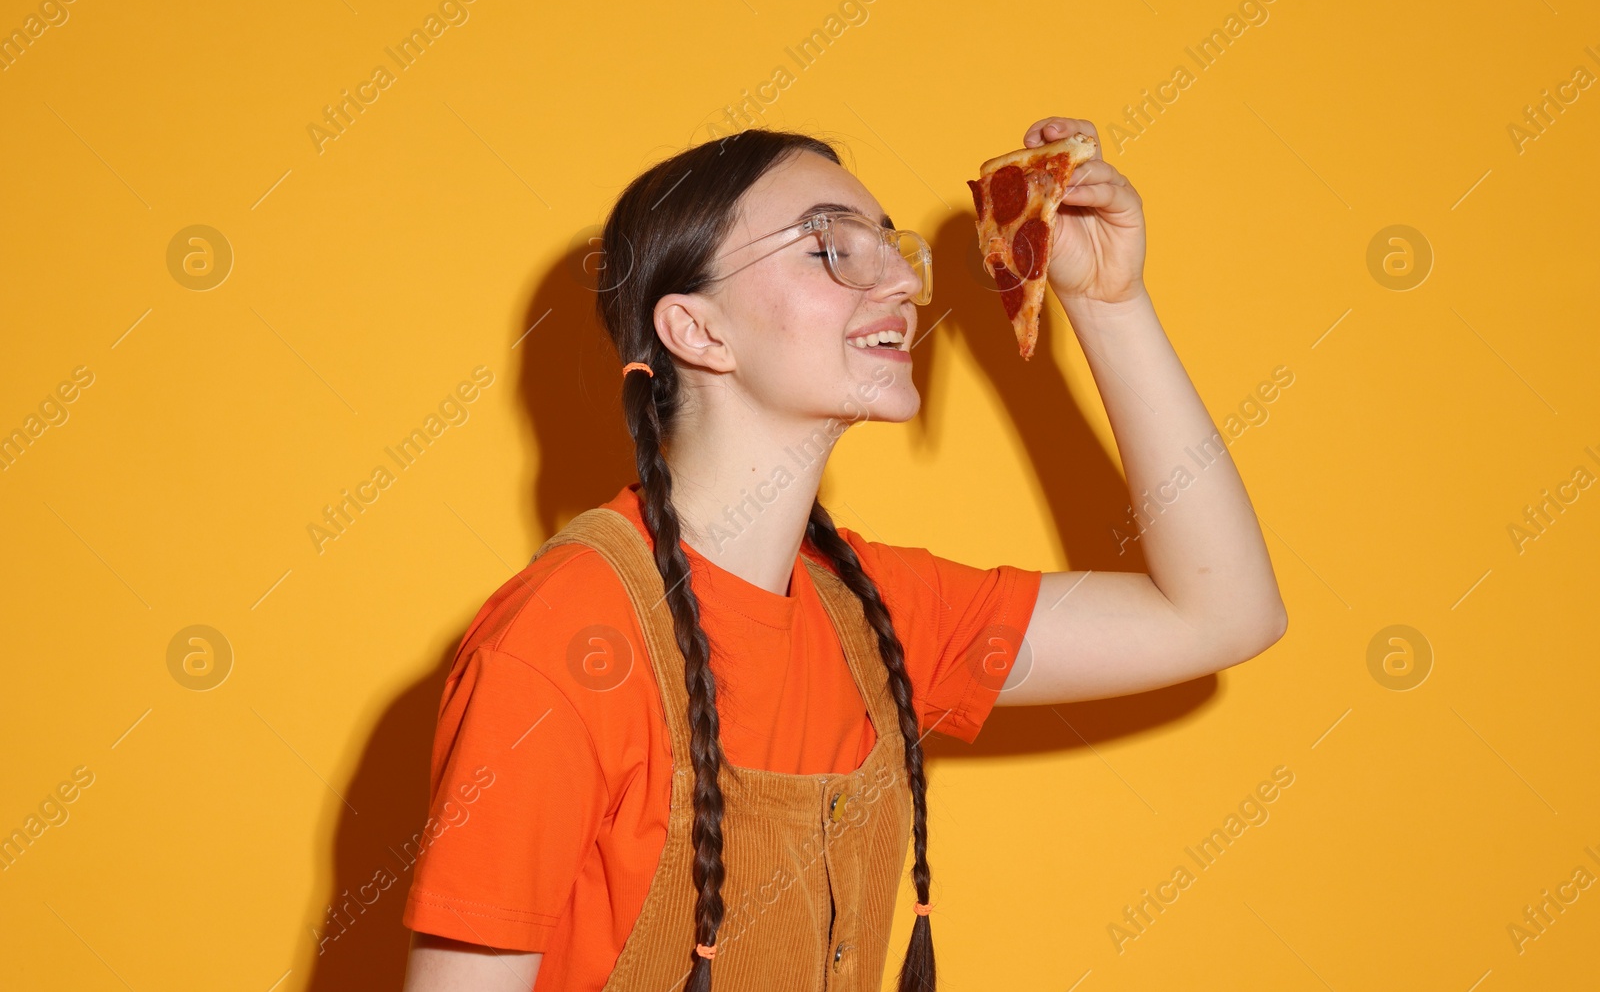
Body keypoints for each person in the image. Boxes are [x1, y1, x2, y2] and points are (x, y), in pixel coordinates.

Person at [399, 116, 1288, 991]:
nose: (903, 280)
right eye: (834, 247)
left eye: (895, 249)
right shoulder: (564, 640)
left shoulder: (875, 614)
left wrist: (1107, 302)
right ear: (697, 331)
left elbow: (1223, 613)